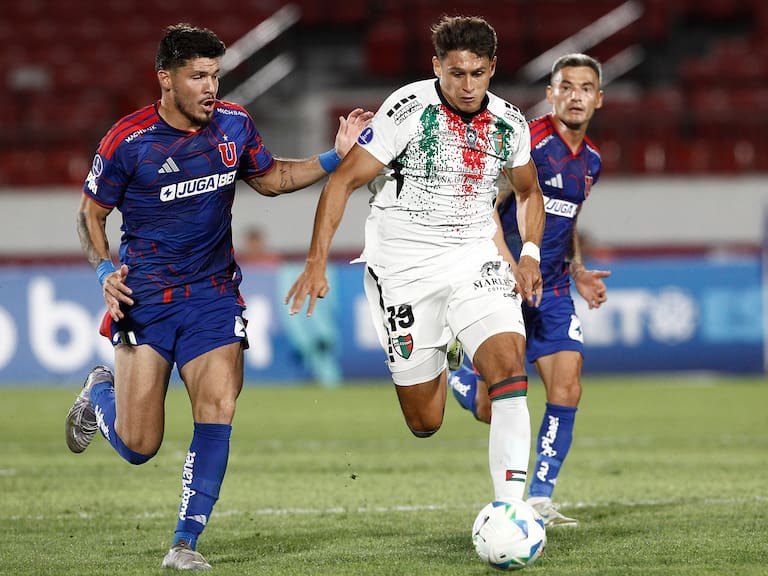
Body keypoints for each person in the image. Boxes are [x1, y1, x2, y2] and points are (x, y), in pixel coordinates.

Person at [64, 23, 372, 570]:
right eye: (198, 76)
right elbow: (91, 213)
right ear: (165, 78)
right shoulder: (127, 142)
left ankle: (185, 542)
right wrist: (104, 270)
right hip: (147, 299)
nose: (211, 87)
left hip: (213, 295)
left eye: (216, 75)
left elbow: (272, 177)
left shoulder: (234, 126)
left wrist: (334, 157)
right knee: (139, 446)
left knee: (219, 407)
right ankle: (99, 393)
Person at [285, 16, 545, 507]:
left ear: (493, 68)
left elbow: (529, 192)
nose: (467, 85)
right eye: (455, 74)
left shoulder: (510, 122)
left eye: (477, 73)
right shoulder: (406, 110)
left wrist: (528, 254)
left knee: (511, 371)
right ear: (436, 67)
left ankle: (511, 511)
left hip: (475, 261)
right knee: (424, 422)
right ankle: (456, 372)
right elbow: (342, 181)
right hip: (404, 272)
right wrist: (317, 261)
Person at [448, 53, 611, 527]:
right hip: (504, 282)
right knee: (488, 407)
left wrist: (577, 268)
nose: (575, 95)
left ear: (598, 99)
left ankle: (538, 498)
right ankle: (455, 379)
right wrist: (511, 262)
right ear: (550, 93)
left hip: (554, 286)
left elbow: (569, 217)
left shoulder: (592, 162)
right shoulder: (529, 143)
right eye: (566, 86)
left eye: (585, 87)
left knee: (568, 386)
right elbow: (484, 205)